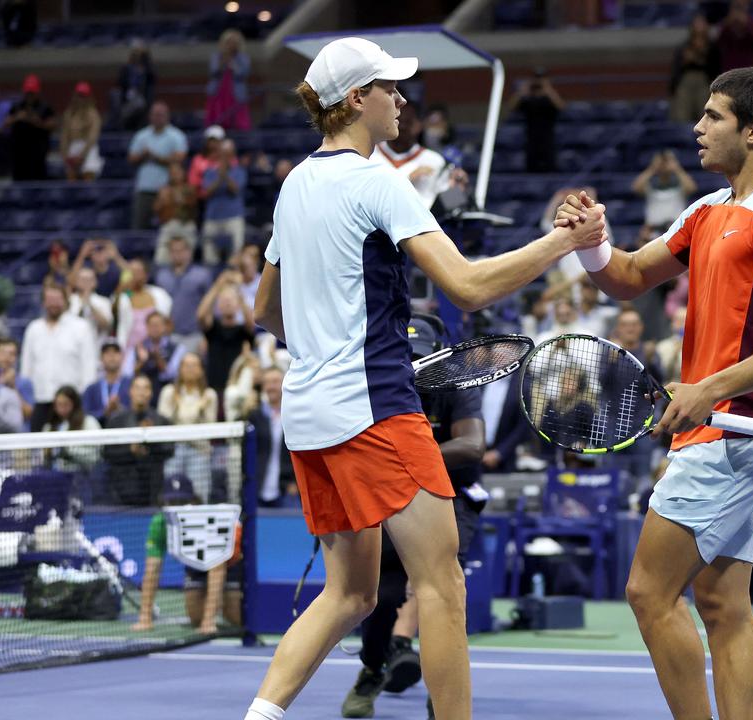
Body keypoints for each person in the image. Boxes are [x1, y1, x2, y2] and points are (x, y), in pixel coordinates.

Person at [243, 37, 607, 720]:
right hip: (375, 409)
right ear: (358, 100)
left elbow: (266, 310)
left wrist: (330, 338)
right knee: (443, 585)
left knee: (348, 595)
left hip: (311, 414)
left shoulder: (294, 185)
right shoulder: (379, 181)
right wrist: (566, 242)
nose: (401, 99)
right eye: (389, 87)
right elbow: (467, 287)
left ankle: (259, 716)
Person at [554, 66, 753, 720]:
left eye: (714, 117)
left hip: (737, 431)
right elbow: (628, 276)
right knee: (724, 605)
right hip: (724, 429)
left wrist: (711, 388)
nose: (697, 128)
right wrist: (590, 243)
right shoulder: (706, 211)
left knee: (648, 592)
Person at [341, 318, 487, 719]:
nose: (415, 367)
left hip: (453, 495)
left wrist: (404, 462)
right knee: (380, 597)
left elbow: (473, 445)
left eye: (422, 358)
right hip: (391, 495)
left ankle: (444, 696)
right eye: (409, 359)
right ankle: (373, 668)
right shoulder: (378, 388)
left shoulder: (459, 385)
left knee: (443, 590)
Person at [133, 476, 241, 635]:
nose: (177, 507)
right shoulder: (160, 523)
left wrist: (209, 621)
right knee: (195, 617)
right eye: (172, 502)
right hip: (195, 566)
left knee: (235, 618)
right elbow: (152, 569)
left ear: (194, 501)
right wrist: (145, 617)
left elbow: (217, 568)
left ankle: (226, 603)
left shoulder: (208, 521)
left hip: (231, 564)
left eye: (181, 502)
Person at [20, 284, 99, 431]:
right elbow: (26, 369)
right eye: (50, 299)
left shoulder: (81, 327)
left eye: (57, 299)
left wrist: (82, 399)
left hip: (72, 402)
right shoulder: (33, 329)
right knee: (39, 448)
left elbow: (89, 367)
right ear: (43, 302)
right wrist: (27, 399)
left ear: (66, 300)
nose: (53, 303)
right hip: (41, 399)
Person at [376, 103, 468, 211]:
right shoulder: (368, 154)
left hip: (421, 224)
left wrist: (458, 190)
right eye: (398, 120)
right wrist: (408, 179)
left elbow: (447, 207)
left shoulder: (435, 160)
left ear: (419, 125)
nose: (402, 127)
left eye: (408, 122)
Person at [103, 375, 174, 506]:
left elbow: (169, 451)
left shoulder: (161, 421)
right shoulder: (116, 421)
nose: (141, 392)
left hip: (153, 487)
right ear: (130, 391)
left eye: (146, 388)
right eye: (137, 388)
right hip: (123, 488)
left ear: (151, 393)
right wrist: (130, 450)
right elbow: (108, 453)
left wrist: (152, 442)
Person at [157, 353, 218, 499]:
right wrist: (198, 408)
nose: (190, 369)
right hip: (173, 451)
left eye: (194, 365)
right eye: (186, 365)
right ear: (180, 369)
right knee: (171, 495)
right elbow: (162, 423)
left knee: (199, 496)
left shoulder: (210, 395)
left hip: (200, 452)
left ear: (201, 370)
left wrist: (180, 409)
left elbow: (211, 428)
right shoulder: (168, 392)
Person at [129, 101, 188, 230]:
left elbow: (180, 158)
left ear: (167, 116)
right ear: (150, 116)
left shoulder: (176, 136)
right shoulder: (142, 135)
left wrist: (155, 157)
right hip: (145, 188)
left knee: (168, 228)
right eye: (155, 114)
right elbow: (131, 158)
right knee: (139, 227)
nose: (157, 117)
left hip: (168, 189)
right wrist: (143, 155)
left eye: (161, 115)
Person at [197, 272, 256, 396]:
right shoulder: (213, 328)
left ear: (238, 304)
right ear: (218, 305)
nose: (228, 303)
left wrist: (239, 292)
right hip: (213, 384)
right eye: (224, 300)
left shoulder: (243, 330)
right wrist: (217, 287)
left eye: (231, 300)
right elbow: (201, 315)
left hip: (236, 386)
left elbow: (252, 322)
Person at [249, 366, 297, 507]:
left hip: (287, 489)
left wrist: (295, 481)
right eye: (267, 382)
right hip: (258, 488)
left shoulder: (294, 414)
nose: (271, 386)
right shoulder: (255, 416)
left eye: (275, 381)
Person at [154, 236, 213, 348]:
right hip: (169, 335)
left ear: (189, 252)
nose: (177, 254)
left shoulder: (202, 275)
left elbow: (210, 307)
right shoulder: (161, 276)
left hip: (195, 335)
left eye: (181, 250)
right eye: (173, 251)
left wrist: (206, 335)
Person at [200, 139, 248, 264]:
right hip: (213, 217)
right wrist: (219, 177)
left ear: (232, 155)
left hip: (234, 217)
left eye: (228, 154)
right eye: (223, 154)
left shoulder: (239, 171)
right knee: (209, 256)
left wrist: (225, 176)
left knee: (236, 256)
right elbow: (207, 192)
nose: (225, 158)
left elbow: (235, 189)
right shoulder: (210, 172)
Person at [509, 69, 563, 173]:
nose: (539, 81)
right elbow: (511, 108)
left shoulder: (549, 98)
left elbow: (561, 107)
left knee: (550, 167)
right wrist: (522, 91)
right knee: (531, 168)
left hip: (548, 138)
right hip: (531, 138)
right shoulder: (528, 99)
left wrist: (548, 89)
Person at [669, 14, 719, 124]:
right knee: (682, 114)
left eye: (702, 23)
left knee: (705, 113)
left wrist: (700, 57)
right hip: (686, 82)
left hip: (706, 82)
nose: (699, 26)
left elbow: (716, 66)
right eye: (697, 23)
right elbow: (677, 67)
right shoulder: (684, 46)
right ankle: (683, 138)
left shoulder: (713, 46)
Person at [633, 150, 697, 235]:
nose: (663, 165)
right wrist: (652, 168)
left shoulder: (680, 185)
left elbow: (692, 188)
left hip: (676, 230)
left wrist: (677, 168)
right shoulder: (650, 185)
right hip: (653, 231)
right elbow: (636, 188)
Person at [8, 74, 56, 181]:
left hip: (38, 152)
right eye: (28, 92)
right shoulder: (17, 107)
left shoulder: (45, 107)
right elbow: (5, 123)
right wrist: (18, 117)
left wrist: (38, 122)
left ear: (37, 92)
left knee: (38, 181)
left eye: (32, 93)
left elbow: (52, 125)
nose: (29, 95)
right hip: (19, 153)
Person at [128, 311, 185, 396]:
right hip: (141, 394)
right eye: (151, 325)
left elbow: (174, 375)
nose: (154, 328)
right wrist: (141, 362)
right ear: (146, 327)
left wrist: (158, 359)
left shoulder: (176, 348)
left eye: (157, 325)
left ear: (164, 327)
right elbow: (127, 375)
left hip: (166, 394)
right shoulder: (137, 347)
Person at [205, 29, 252, 132]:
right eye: (229, 42)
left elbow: (244, 73)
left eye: (234, 42)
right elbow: (213, 72)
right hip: (218, 92)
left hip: (235, 93)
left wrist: (233, 65)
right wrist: (223, 62)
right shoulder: (217, 57)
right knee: (217, 116)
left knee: (237, 116)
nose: (231, 45)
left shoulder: (243, 58)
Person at [59, 81, 103, 181]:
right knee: (71, 176)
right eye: (79, 95)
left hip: (88, 148)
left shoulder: (93, 114)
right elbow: (65, 135)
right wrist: (64, 153)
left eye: (83, 96)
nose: (81, 99)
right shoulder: (69, 113)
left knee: (88, 175)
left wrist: (82, 155)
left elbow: (92, 137)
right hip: (73, 146)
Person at [153, 165, 199, 261]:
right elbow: (155, 209)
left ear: (183, 174)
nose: (175, 176)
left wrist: (178, 197)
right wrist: (162, 200)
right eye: (172, 174)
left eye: (177, 173)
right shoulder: (164, 189)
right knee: (160, 257)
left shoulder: (189, 188)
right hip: (169, 225)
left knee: (187, 257)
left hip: (186, 225)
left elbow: (193, 205)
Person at [83, 341, 132, 422]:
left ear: (122, 357)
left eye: (115, 352)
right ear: (101, 358)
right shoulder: (91, 389)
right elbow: (85, 415)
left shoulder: (131, 384)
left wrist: (120, 409)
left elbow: (137, 411)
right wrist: (105, 412)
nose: (111, 356)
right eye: (107, 352)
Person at [117, 40, 156, 131]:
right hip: (128, 98)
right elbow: (120, 82)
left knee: (142, 115)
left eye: (139, 53)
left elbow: (153, 78)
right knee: (127, 117)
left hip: (143, 97)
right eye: (135, 52)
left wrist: (145, 58)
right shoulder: (126, 67)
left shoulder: (146, 67)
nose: (137, 55)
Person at [67, 266, 113, 338]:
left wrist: (89, 304)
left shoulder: (104, 301)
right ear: (76, 282)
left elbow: (107, 325)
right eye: (83, 279)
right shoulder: (69, 300)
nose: (86, 282)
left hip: (96, 344)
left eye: (89, 280)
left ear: (95, 282)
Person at [715, 0, 753, 72]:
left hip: (749, 69)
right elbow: (719, 42)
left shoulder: (752, 22)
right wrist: (729, 22)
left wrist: (745, 24)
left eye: (741, 5)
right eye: (736, 5)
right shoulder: (726, 23)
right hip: (729, 69)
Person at [189, 125, 225, 193]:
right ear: (207, 142)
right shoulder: (198, 159)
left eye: (217, 141)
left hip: (223, 195)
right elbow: (193, 182)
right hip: (202, 196)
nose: (214, 144)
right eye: (212, 140)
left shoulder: (228, 159)